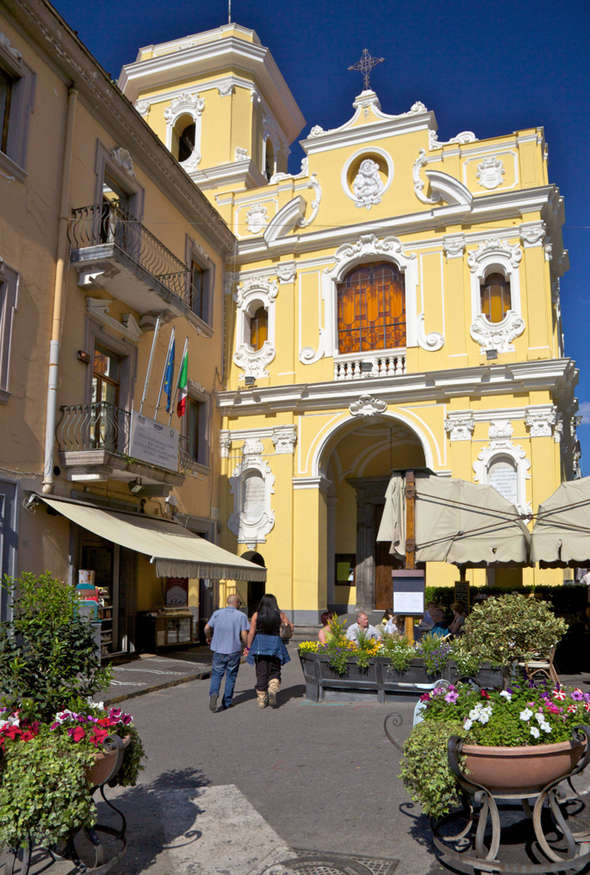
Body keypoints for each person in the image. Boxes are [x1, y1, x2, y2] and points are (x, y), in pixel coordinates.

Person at [246, 594, 293, 708]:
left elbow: (251, 633)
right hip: (275, 643)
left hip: (260, 644)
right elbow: (290, 627)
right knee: (275, 668)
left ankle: (262, 698)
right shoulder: (280, 615)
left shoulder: (256, 615)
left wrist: (248, 647)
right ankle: (272, 687)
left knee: (261, 671)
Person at [204, 594, 249, 713]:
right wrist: (247, 646)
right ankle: (227, 702)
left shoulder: (217, 613)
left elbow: (206, 628)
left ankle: (214, 694)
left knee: (216, 674)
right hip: (234, 650)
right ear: (237, 603)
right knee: (231, 676)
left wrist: (209, 637)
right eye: (240, 603)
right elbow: (244, 635)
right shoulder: (241, 616)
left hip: (218, 649)